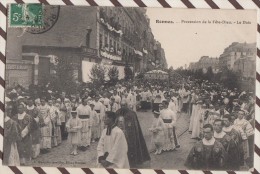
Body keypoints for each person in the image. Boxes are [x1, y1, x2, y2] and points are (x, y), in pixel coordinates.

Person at [116, 101, 150, 168]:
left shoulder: (132, 113)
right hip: (121, 132)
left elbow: (134, 125)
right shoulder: (117, 112)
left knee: (131, 147)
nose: (123, 107)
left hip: (131, 133)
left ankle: (132, 162)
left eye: (124, 105)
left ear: (126, 105)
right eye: (121, 105)